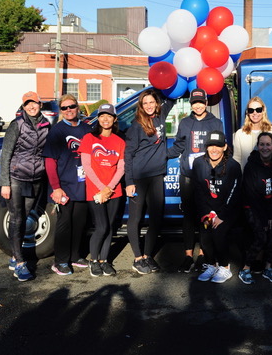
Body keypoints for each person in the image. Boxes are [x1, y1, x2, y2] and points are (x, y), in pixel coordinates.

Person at [168, 88, 224, 273]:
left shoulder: (215, 122)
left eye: (201, 102)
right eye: (194, 103)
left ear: (206, 103)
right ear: (191, 104)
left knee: (206, 216)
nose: (198, 105)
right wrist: (158, 155)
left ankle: (202, 255)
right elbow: (178, 146)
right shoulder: (185, 122)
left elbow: (220, 149)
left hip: (208, 176)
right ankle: (187, 255)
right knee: (189, 217)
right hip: (188, 175)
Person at [0, 91, 51, 281]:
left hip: (36, 178)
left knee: (26, 216)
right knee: (17, 218)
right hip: (16, 177)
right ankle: (20, 263)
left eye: (34, 103)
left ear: (40, 104)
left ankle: (14, 255)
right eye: (27, 104)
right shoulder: (17, 125)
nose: (31, 107)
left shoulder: (46, 125)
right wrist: (5, 183)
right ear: (23, 106)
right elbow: (6, 154)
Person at [124, 89, 174, 274]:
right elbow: (128, 154)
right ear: (141, 106)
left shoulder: (161, 116)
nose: (149, 106)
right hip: (139, 177)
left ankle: (147, 255)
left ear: (157, 103)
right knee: (135, 218)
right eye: (145, 103)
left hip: (156, 176)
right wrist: (129, 181)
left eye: (151, 102)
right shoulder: (136, 125)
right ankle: (137, 258)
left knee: (155, 218)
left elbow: (173, 97)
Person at [43, 94, 91, 276]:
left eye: (72, 106)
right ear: (61, 111)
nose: (69, 110)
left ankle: (74, 256)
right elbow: (49, 161)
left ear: (78, 107)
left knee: (80, 223)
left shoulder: (87, 128)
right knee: (65, 224)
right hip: (64, 186)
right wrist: (56, 187)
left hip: (82, 185)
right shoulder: (57, 131)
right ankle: (60, 261)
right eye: (64, 108)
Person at [79, 104, 125, 277]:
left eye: (109, 116)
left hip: (115, 191)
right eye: (102, 116)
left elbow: (121, 168)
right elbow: (87, 166)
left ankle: (104, 261)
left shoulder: (120, 141)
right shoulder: (89, 138)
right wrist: (102, 189)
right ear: (98, 118)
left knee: (110, 227)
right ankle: (93, 261)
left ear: (114, 119)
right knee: (101, 227)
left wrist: (110, 188)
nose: (106, 119)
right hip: (95, 190)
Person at [192, 130, 242, 283]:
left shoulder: (233, 166)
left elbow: (234, 194)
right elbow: (198, 190)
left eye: (218, 146)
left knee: (219, 233)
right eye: (211, 146)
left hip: (227, 210)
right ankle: (212, 265)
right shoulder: (199, 163)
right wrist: (206, 214)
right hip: (207, 208)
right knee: (205, 235)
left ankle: (225, 268)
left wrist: (221, 216)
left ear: (225, 147)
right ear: (206, 147)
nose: (214, 149)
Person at [238, 132, 272, 284]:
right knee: (261, 236)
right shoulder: (251, 165)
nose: (265, 147)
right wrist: (265, 219)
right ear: (258, 146)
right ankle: (245, 269)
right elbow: (252, 196)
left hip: (270, 207)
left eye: (268, 144)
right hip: (253, 207)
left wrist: (271, 214)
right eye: (262, 144)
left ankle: (268, 268)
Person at [233, 97, 272, 171]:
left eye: (258, 110)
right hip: (246, 177)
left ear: (263, 111)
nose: (255, 113)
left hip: (268, 176)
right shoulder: (240, 134)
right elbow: (237, 159)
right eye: (251, 110)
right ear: (247, 113)